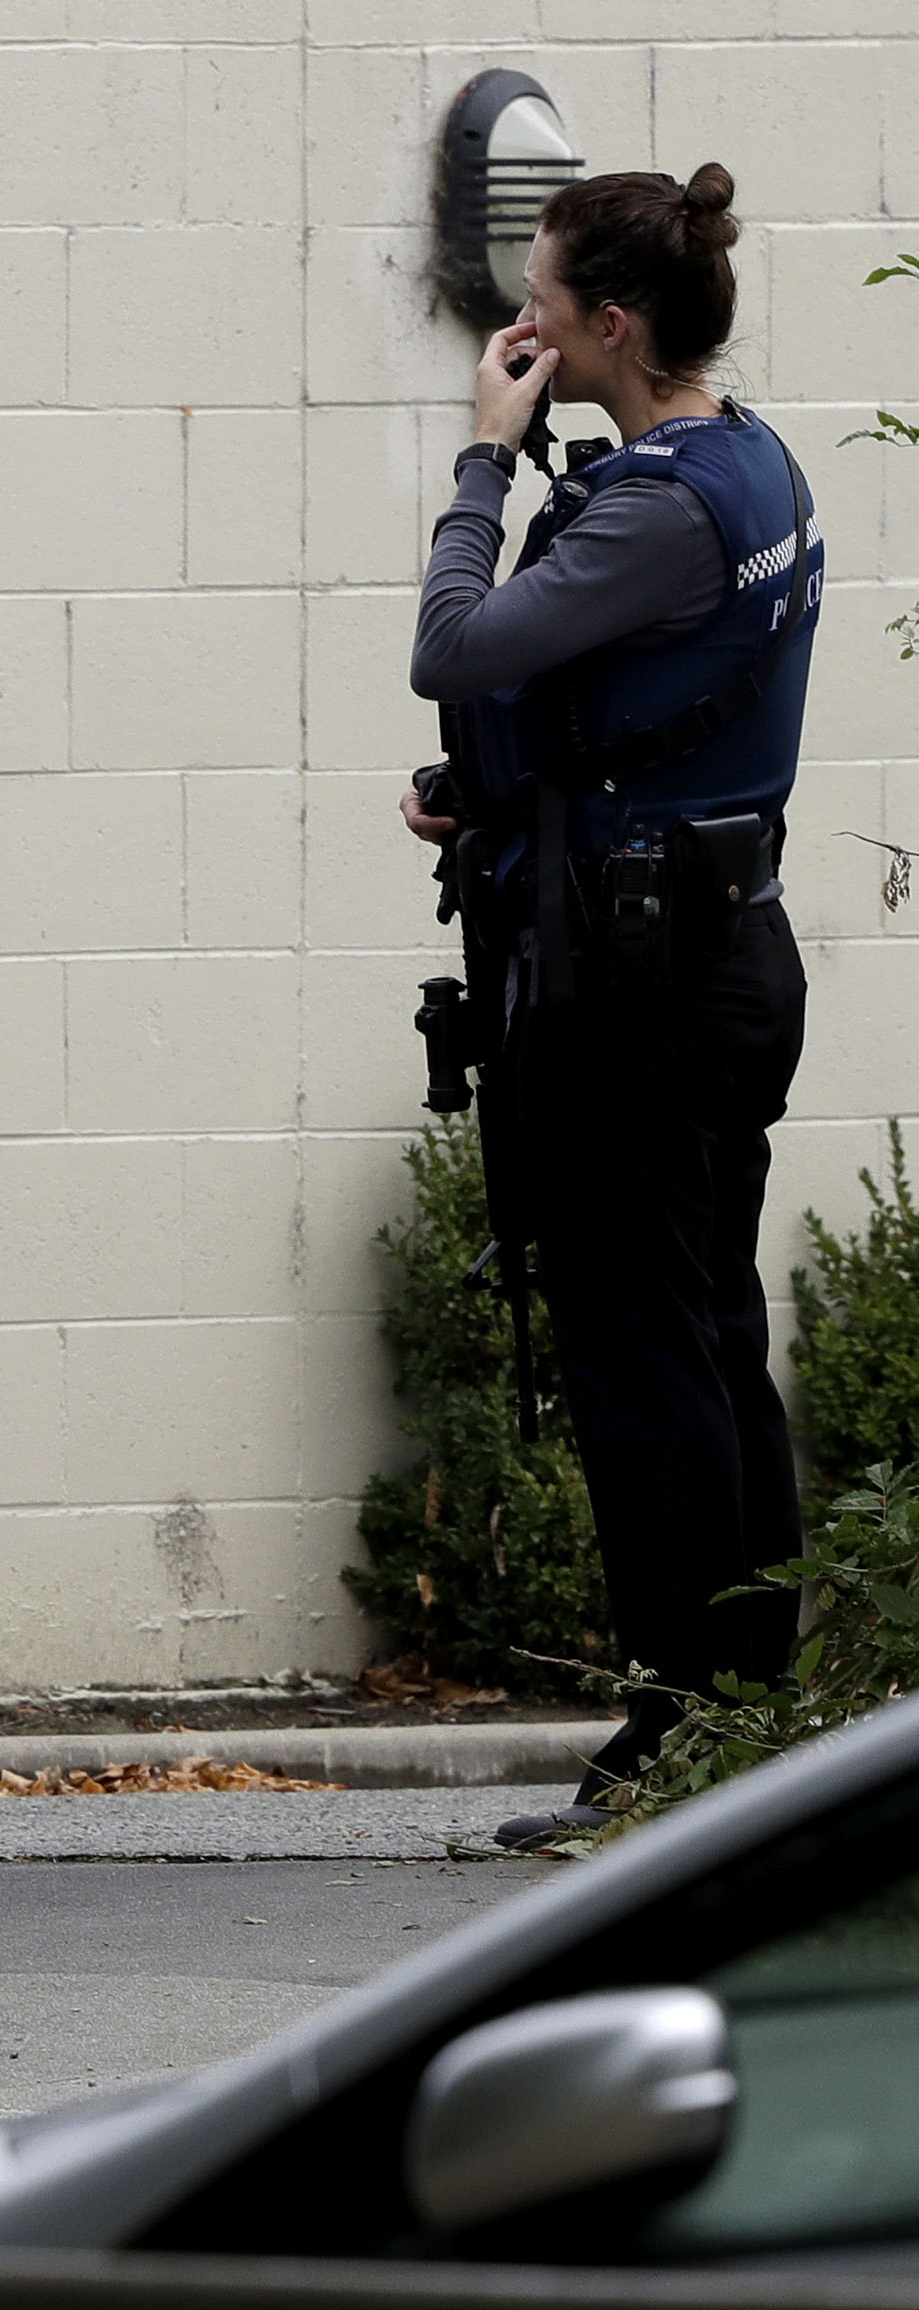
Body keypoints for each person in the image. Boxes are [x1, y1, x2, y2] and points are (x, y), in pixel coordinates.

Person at [398, 165, 820, 1852]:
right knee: (715, 1337)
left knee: (646, 1360)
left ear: (613, 326)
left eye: (548, 307)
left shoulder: (654, 504)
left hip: (640, 998)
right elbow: (624, 701)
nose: (526, 330)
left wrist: (480, 462)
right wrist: (494, 784)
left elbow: (458, 642)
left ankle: (681, 1744)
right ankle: (754, 1715)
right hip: (722, 957)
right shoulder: (754, 457)